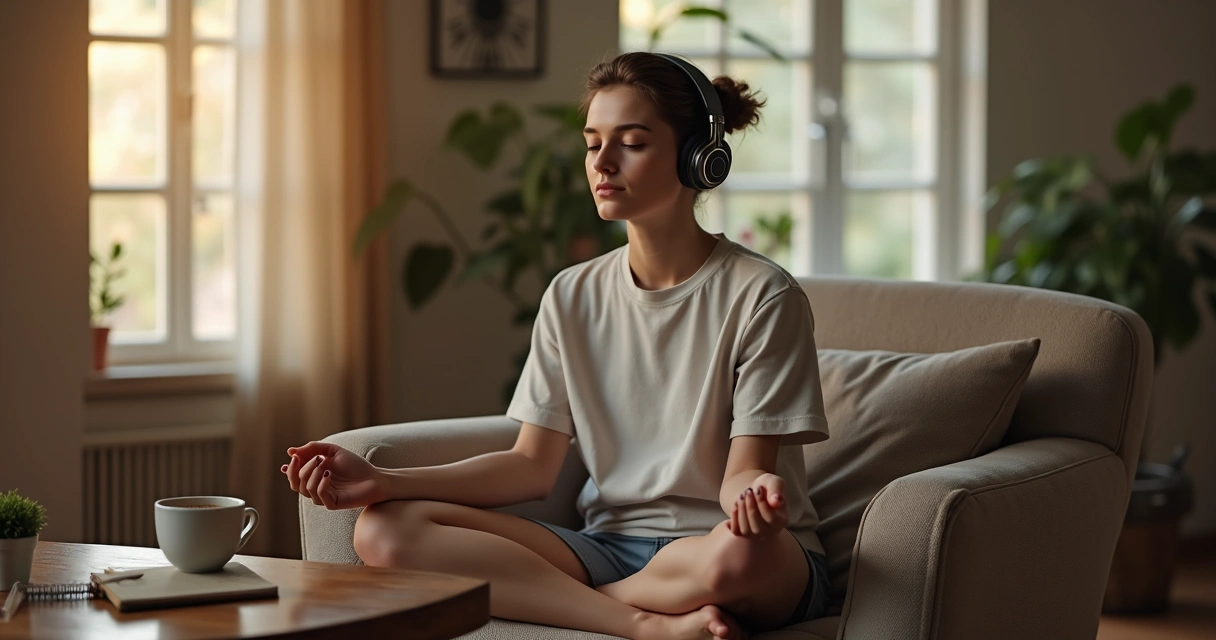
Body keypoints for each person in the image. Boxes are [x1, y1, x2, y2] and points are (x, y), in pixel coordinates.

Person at [282, 51, 831, 640]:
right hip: (606, 547)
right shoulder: (571, 295)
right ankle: (641, 622)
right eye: (594, 143)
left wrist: (757, 498)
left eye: (633, 143)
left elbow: (742, 474)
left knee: (733, 558)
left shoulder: (763, 294)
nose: (604, 163)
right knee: (383, 531)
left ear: (699, 158)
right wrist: (385, 482)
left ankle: (565, 600)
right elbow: (529, 467)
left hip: (735, 546)